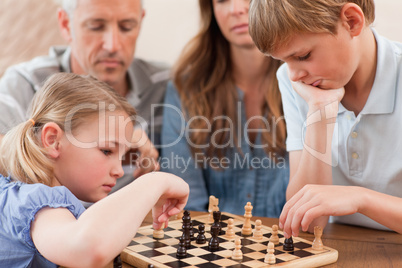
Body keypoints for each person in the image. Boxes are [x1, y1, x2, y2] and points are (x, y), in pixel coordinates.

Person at [0, 73, 189, 267]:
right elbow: (87, 250)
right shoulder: (39, 206)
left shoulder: (18, 191)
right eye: (106, 150)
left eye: (122, 156)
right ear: (53, 141)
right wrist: (153, 183)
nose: (120, 171)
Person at [249, 0, 402, 235]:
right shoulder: (297, 82)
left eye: (303, 55)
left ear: (352, 21)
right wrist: (320, 111)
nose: (294, 74)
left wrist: (360, 199)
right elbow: (308, 223)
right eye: (283, 61)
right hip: (338, 246)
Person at [0, 0, 168, 191]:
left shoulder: (167, 84)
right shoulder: (25, 83)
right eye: (95, 27)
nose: (112, 45)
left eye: (126, 27)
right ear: (65, 24)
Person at [161, 0, 289, 217]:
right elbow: (187, 204)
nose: (236, 9)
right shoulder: (186, 88)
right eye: (222, 0)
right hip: (210, 245)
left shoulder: (307, 81)